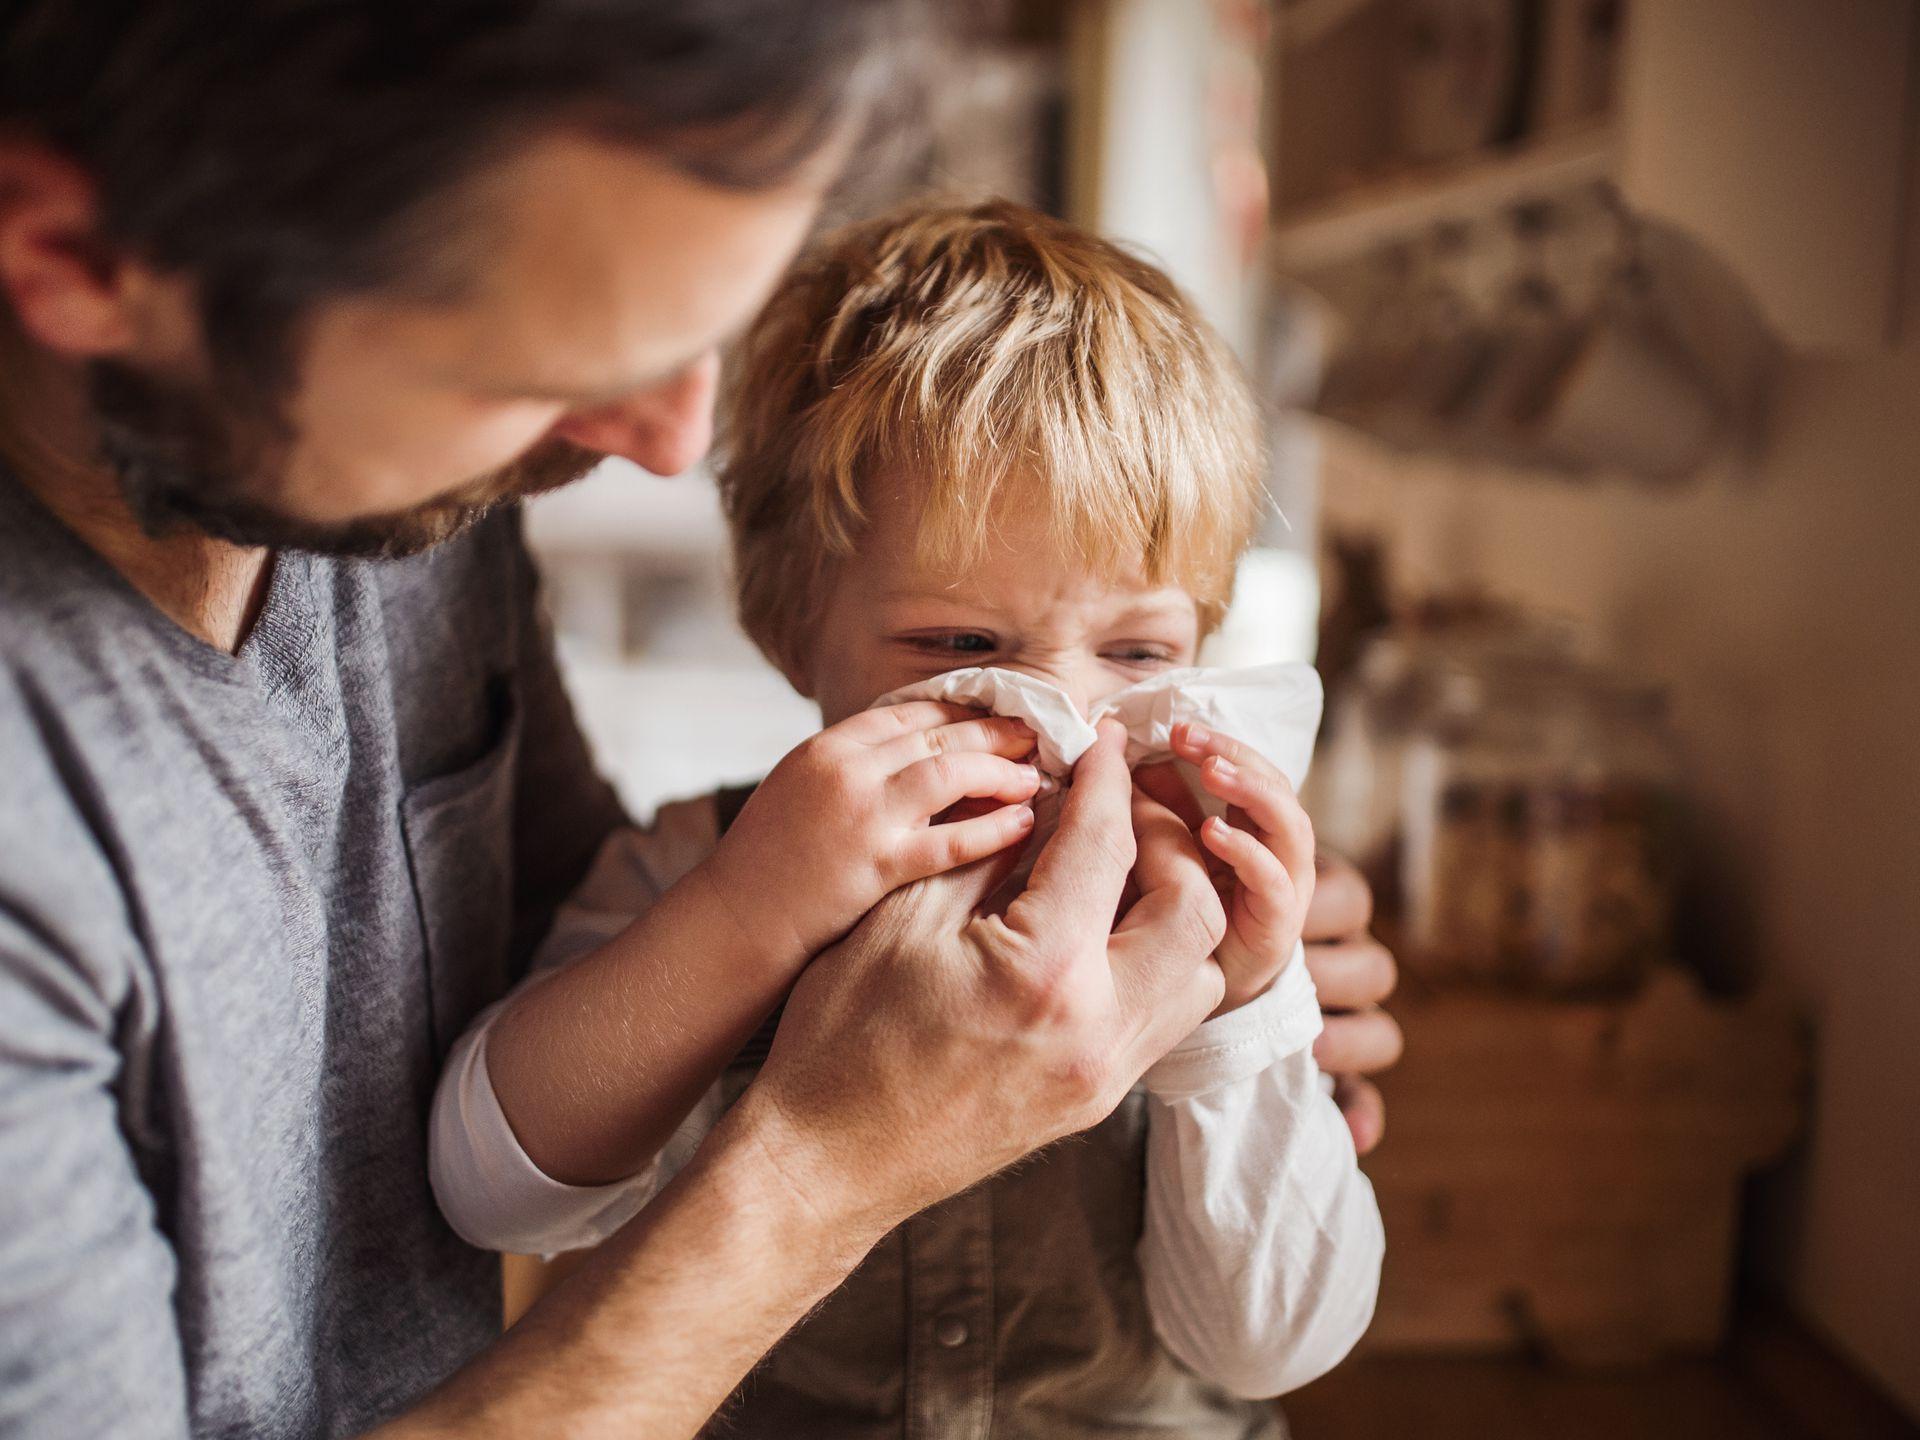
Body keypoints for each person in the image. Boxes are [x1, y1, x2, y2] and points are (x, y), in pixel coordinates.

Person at [0, 5, 1402, 1437]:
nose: (671, 445)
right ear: (79, 263)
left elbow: (1273, 1336)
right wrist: (818, 1133)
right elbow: (500, 1173)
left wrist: (1260, 1011)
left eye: (699, 338)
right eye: (533, 364)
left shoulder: (407, 490)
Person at [429, 200, 1385, 1437]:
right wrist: (747, 913)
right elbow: (494, 1198)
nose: (1068, 718)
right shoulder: (705, 865)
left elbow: (1269, 1350)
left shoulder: (1210, 913)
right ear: (791, 629)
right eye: (965, 647)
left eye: (1139, 650)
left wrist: (1244, 1020)